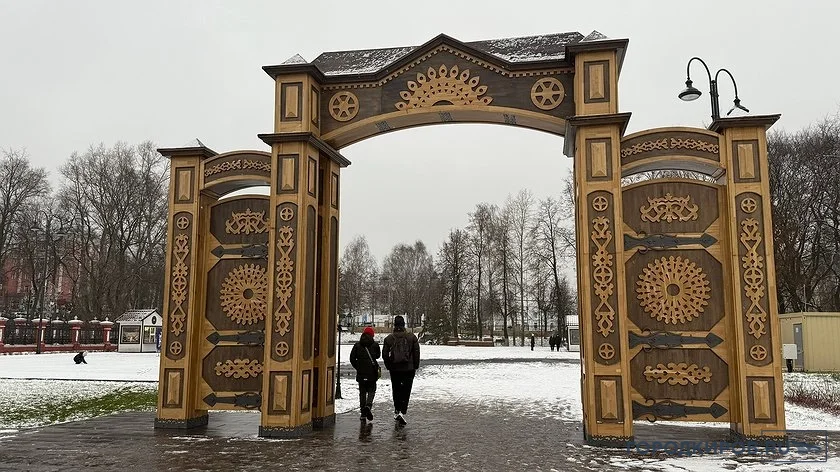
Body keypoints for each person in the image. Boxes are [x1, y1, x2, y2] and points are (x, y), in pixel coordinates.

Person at [382, 315, 420, 426]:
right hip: (409, 368)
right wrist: (415, 365)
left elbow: (385, 354)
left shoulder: (389, 338)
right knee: (406, 390)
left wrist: (389, 365)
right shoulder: (411, 337)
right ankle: (403, 410)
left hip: (395, 369)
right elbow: (416, 353)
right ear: (404, 325)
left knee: (396, 389)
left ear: (394, 325)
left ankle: (397, 409)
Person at [349, 326, 381, 422]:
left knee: (362, 393)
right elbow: (378, 356)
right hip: (372, 372)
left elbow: (352, 358)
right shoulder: (375, 345)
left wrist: (358, 367)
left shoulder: (357, 345)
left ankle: (363, 413)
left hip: (361, 373)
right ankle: (368, 405)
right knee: (372, 390)